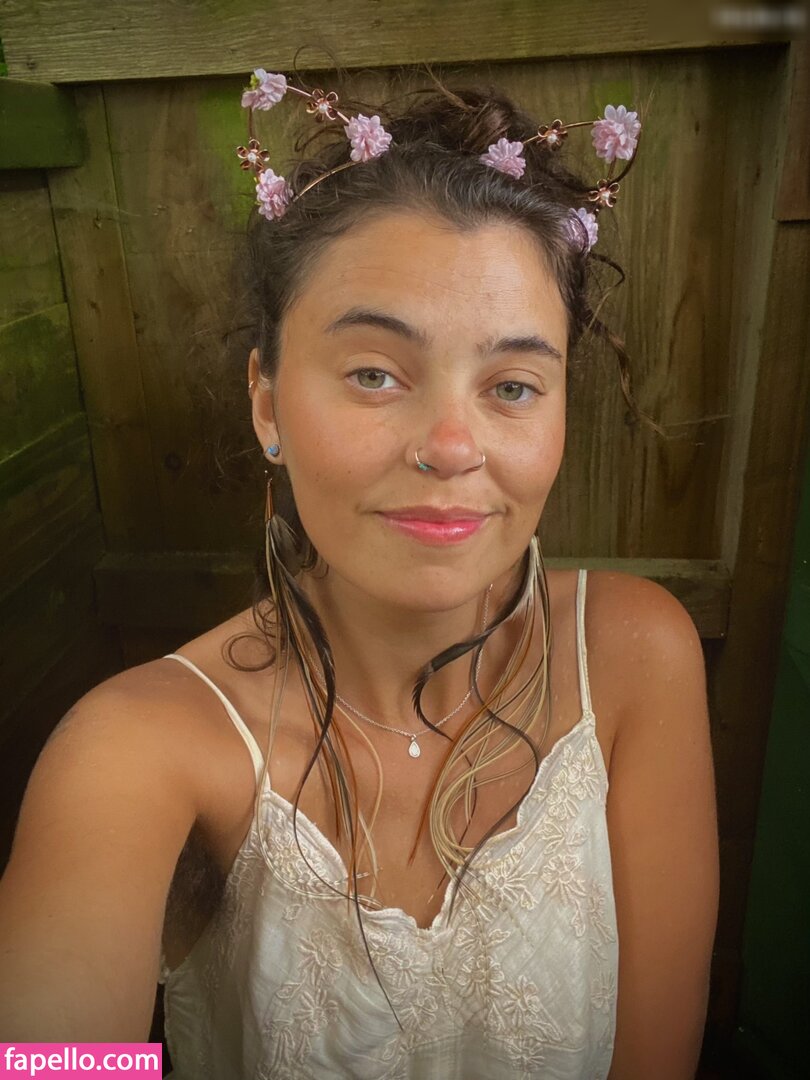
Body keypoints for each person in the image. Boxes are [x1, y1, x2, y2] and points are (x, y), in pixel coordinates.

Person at [0, 68, 719, 1080]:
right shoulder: (134, 750)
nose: (452, 446)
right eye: (375, 374)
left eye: (513, 385)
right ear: (267, 403)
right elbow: (49, 1059)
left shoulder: (637, 658)